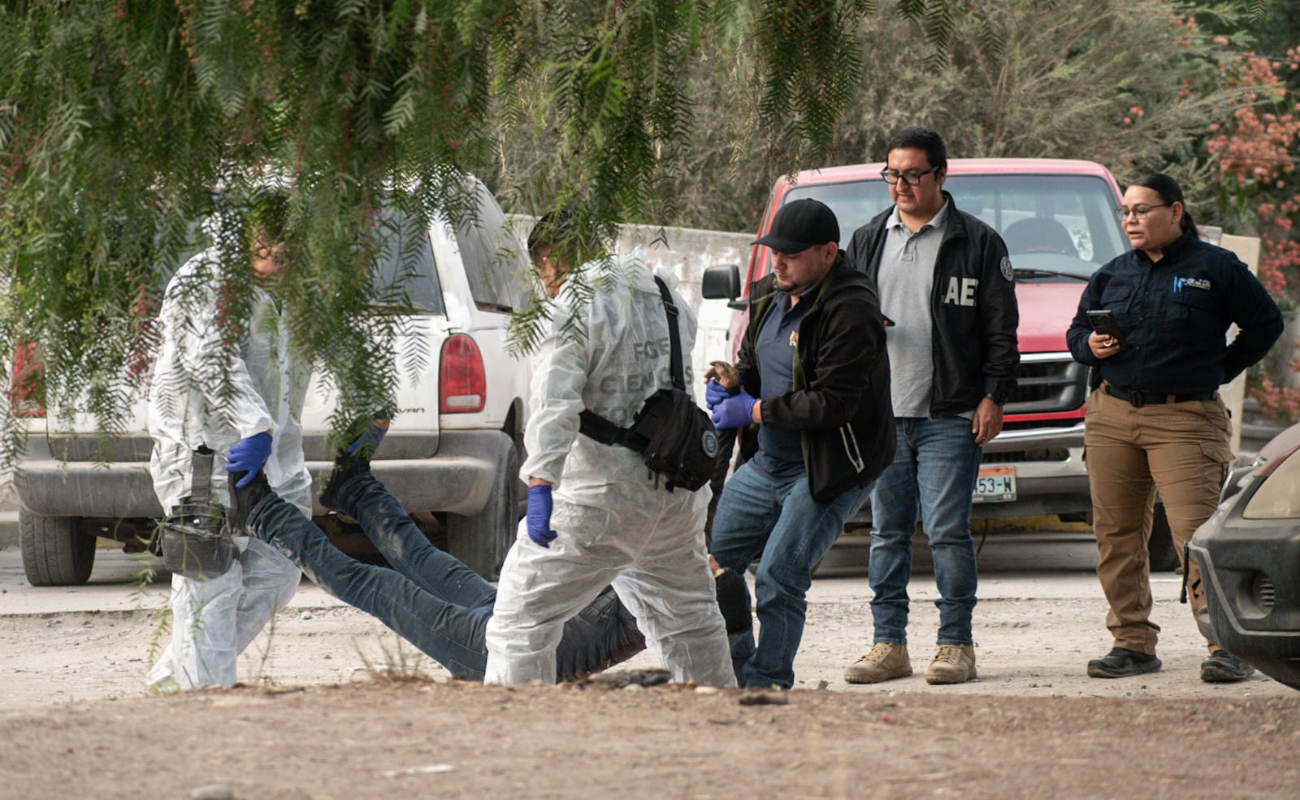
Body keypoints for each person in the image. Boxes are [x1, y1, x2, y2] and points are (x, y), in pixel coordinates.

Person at [228, 440, 754, 682]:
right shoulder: (652, 584)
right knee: (423, 558)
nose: (705, 560)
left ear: (708, 599)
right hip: (507, 614)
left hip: (487, 653)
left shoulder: (653, 608)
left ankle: (264, 513)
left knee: (372, 582)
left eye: (712, 571)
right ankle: (355, 487)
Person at [482, 213, 736, 687]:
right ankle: (722, 719)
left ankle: (513, 732)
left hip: (600, 499)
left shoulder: (571, 307)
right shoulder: (663, 291)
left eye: (543, 277)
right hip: (675, 496)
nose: (547, 288)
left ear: (550, 261)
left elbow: (554, 405)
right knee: (691, 624)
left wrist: (540, 484)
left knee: (521, 621)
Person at [1066, 173, 1283, 683]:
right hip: (1112, 415)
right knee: (1116, 535)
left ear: (1176, 211)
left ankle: (1227, 645)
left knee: (1197, 538)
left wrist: (1218, 371)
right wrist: (1088, 347)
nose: (1131, 220)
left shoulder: (1217, 268)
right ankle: (1133, 643)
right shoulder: (1112, 274)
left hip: (1185, 419)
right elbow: (1077, 332)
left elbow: (1266, 323)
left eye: (1142, 210)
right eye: (1125, 212)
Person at [842, 126, 1019, 686]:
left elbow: (1002, 332)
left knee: (946, 531)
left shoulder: (978, 242)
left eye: (912, 174)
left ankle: (955, 646)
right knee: (886, 534)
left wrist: (993, 396)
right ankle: (888, 644)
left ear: (941, 175)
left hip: (951, 413)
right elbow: (841, 319)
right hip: (882, 415)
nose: (900, 184)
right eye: (891, 174)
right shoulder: (868, 239)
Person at [707, 198, 895, 690]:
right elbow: (755, 364)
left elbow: (832, 404)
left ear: (829, 252)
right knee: (711, 565)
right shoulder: (770, 295)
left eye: (791, 254)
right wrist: (734, 380)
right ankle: (739, 669)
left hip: (828, 469)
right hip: (768, 461)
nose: (778, 263)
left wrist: (750, 410)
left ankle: (768, 686)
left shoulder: (851, 309)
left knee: (778, 578)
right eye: (773, 252)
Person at [146, 193, 312, 690]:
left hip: (271, 462)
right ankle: (203, 696)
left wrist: (279, 445)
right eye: (271, 251)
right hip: (204, 458)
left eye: (289, 254)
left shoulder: (281, 289)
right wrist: (255, 425)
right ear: (246, 236)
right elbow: (211, 360)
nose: (279, 263)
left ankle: (176, 678)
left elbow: (286, 378)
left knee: (280, 568)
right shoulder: (204, 281)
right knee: (210, 583)